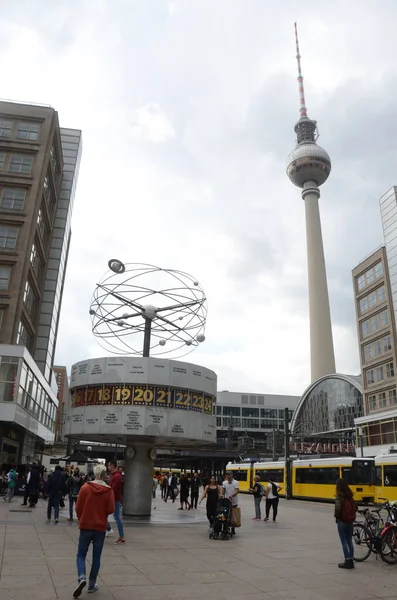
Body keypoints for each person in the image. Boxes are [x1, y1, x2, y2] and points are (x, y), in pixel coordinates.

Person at [73, 463, 115, 597]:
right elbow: (111, 509)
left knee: (81, 554)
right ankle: (91, 584)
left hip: (86, 526)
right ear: (104, 475)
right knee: (96, 557)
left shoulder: (85, 487)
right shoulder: (108, 490)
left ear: (95, 474)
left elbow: (78, 507)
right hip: (100, 527)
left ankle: (81, 577)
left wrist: (81, 518)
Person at [334, 478, 357, 569]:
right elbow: (355, 507)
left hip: (342, 521)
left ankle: (347, 561)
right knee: (349, 540)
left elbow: (338, 509)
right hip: (350, 520)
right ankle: (351, 561)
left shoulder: (339, 496)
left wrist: (337, 517)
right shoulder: (350, 496)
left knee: (344, 541)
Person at [106, 460, 125, 544]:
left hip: (115, 499)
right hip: (113, 498)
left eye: (109, 465)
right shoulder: (113, 475)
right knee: (108, 515)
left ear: (113, 466)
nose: (108, 467)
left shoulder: (117, 476)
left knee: (116, 517)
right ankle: (108, 529)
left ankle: (121, 537)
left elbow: (113, 489)